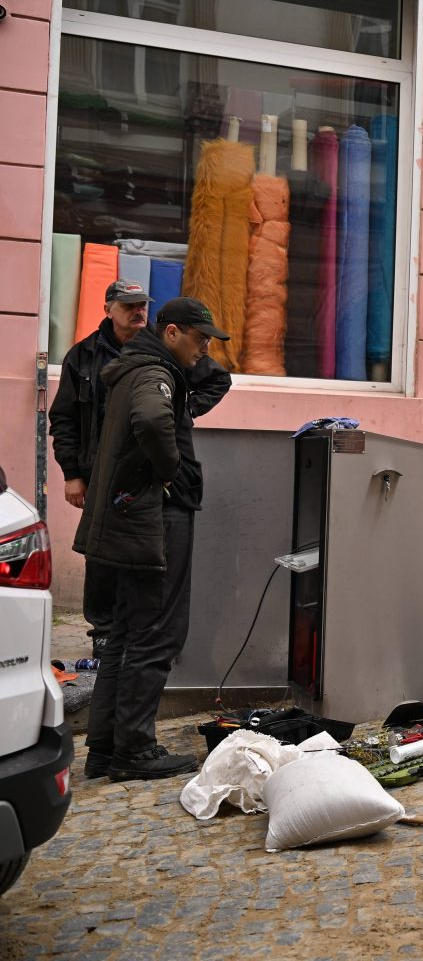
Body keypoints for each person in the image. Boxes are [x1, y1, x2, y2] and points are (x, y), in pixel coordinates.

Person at [74, 297, 231, 781]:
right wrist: (169, 471)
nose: (205, 349)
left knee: (123, 634)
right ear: (171, 332)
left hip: (132, 519)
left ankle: (105, 749)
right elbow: (150, 420)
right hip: (156, 521)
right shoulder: (154, 374)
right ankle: (135, 750)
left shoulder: (141, 366)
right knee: (156, 634)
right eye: (199, 339)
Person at [49, 280, 231, 657]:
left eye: (142, 305)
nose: (138, 312)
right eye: (128, 305)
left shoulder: (167, 349)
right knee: (102, 556)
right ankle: (104, 632)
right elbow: (64, 418)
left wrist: (183, 411)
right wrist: (72, 473)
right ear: (108, 309)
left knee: (143, 556)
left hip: (143, 472)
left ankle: (131, 638)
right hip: (99, 469)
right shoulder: (83, 356)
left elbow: (217, 379)